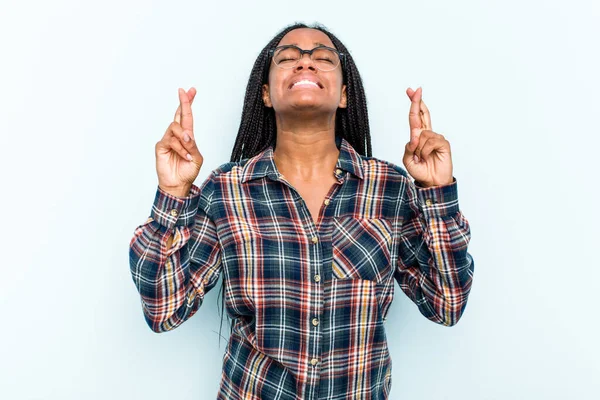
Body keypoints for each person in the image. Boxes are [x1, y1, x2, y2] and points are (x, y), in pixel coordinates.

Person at [129, 22, 474, 400]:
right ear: (265, 94)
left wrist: (436, 190)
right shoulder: (226, 191)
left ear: (344, 94)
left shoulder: (388, 188)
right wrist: (172, 192)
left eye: (323, 58)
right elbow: (163, 309)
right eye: (288, 58)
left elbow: (447, 303)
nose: (305, 64)